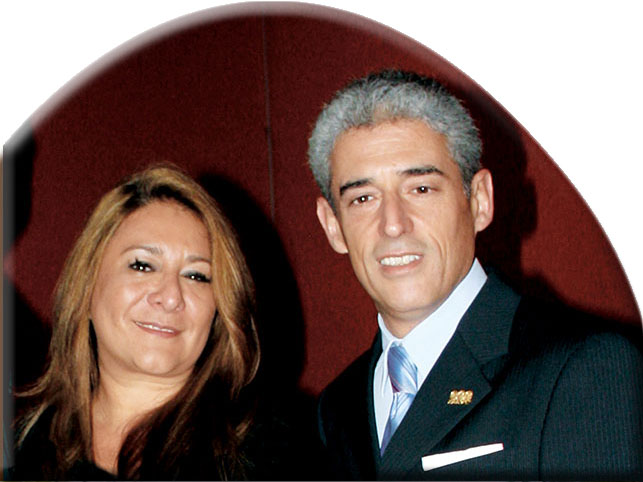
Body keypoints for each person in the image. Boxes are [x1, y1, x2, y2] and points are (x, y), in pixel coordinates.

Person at [308, 70, 643, 480]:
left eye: (421, 189)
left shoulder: (583, 367)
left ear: (479, 200)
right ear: (333, 226)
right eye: (363, 198)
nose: (393, 224)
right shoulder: (337, 407)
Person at [8, 165, 263, 480]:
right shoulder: (21, 452)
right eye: (142, 266)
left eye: (196, 276)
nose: (171, 297)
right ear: (87, 286)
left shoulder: (266, 453)